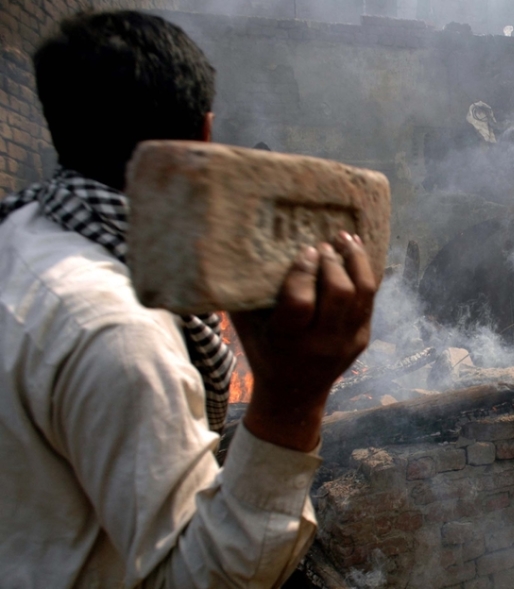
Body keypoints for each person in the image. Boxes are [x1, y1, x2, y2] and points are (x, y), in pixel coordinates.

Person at [0, 11, 377, 587]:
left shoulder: (22, 235)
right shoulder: (121, 331)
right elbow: (201, 577)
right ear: (203, 136)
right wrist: (292, 398)